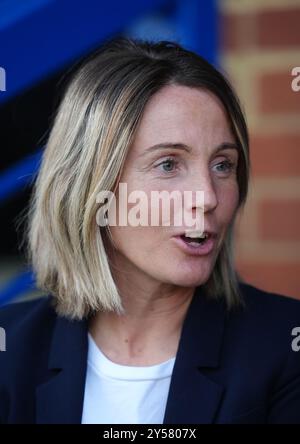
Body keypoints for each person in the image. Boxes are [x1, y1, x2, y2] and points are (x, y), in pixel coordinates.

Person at [0, 36, 300, 425]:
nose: (207, 196)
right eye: (168, 164)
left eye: (223, 164)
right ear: (92, 186)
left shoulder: (284, 345)